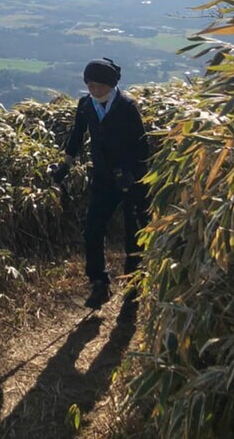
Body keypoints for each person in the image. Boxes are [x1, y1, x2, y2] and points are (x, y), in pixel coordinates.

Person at [54, 58, 149, 309]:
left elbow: (142, 147)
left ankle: (133, 292)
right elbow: (76, 136)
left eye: (99, 86)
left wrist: (133, 174)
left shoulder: (127, 107)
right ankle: (99, 283)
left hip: (131, 182)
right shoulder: (86, 105)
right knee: (93, 229)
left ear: (111, 84)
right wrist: (65, 165)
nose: (95, 90)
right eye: (90, 85)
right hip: (104, 180)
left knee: (134, 238)